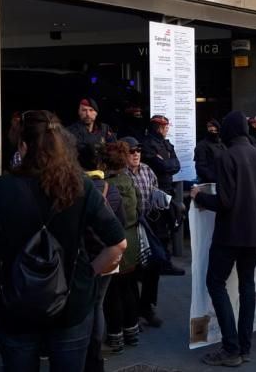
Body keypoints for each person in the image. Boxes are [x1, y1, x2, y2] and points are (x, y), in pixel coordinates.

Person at [0, 110, 126, 372]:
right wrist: (88, 273)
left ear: (23, 146)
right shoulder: (80, 185)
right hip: (71, 302)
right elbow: (118, 243)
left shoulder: (1, 188)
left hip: (15, 303)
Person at [191, 111, 256, 367]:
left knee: (215, 283)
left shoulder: (226, 156)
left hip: (229, 234)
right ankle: (244, 347)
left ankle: (231, 347)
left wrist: (198, 197)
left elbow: (225, 201)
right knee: (247, 285)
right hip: (253, 234)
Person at [76, 141, 122, 371]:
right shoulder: (111, 189)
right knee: (98, 305)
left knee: (84, 308)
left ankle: (84, 355)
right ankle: (96, 356)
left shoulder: (76, 190)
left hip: (83, 258)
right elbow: (120, 226)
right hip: (109, 256)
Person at [103, 141, 144, 355]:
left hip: (114, 242)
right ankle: (132, 331)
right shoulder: (129, 180)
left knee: (112, 292)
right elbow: (140, 208)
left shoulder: (106, 185)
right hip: (132, 240)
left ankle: (115, 336)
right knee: (129, 288)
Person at [123, 136, 167, 328]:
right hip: (129, 226)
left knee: (155, 262)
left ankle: (146, 306)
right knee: (132, 270)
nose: (136, 155)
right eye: (131, 151)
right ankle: (131, 314)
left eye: (138, 151)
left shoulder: (147, 170)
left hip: (148, 223)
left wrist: (161, 200)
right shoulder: (121, 174)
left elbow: (155, 189)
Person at [141, 115, 185, 277]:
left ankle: (163, 261)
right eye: (165, 126)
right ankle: (160, 263)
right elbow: (158, 165)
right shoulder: (147, 144)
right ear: (158, 127)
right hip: (154, 192)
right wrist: (166, 164)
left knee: (169, 226)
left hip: (167, 191)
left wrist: (166, 164)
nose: (167, 129)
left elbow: (176, 165)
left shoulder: (166, 144)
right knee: (158, 230)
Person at [194, 119, 226, 183]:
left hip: (223, 181)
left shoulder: (222, 145)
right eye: (211, 130)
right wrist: (215, 178)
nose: (213, 132)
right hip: (209, 183)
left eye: (215, 130)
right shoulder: (202, 146)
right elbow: (201, 168)